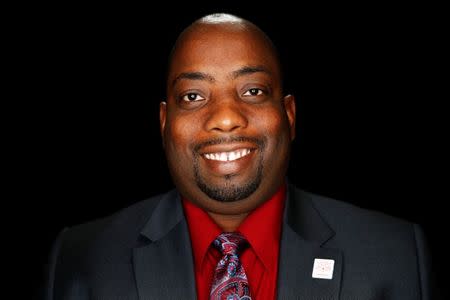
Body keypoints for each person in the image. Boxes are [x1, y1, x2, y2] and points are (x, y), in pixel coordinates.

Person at [44, 13, 438, 299]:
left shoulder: (395, 254)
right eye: (193, 96)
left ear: (289, 115)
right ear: (164, 123)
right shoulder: (83, 257)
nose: (227, 118)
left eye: (252, 91)